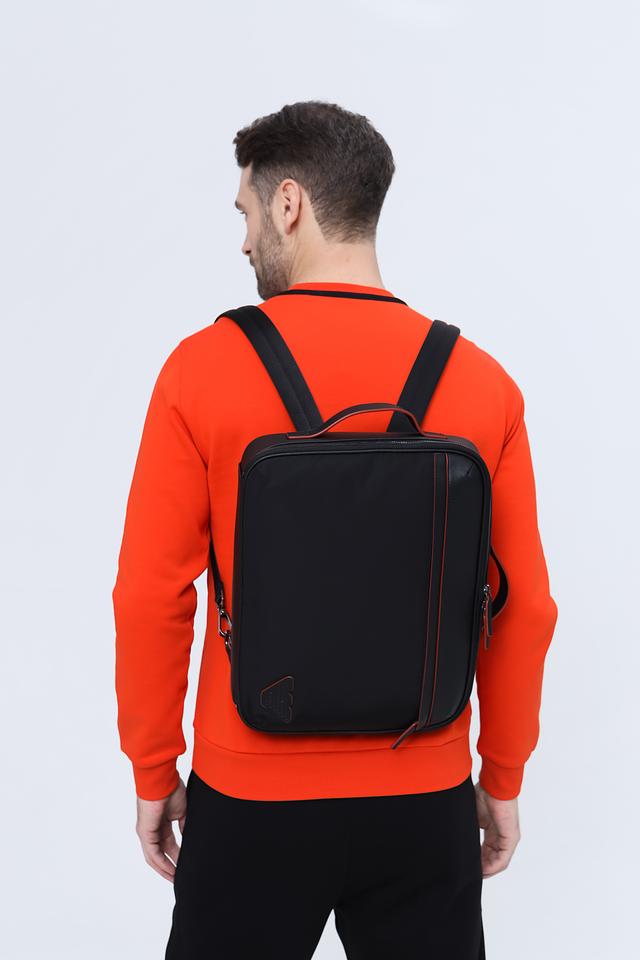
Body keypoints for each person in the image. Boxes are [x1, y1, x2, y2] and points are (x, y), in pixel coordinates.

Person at [112, 100, 558, 959]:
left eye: (246, 213)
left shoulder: (201, 370)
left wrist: (153, 767)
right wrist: (500, 775)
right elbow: (523, 607)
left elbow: (149, 595)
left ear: (289, 204)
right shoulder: (482, 382)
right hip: (423, 796)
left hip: (250, 797)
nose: (244, 242)